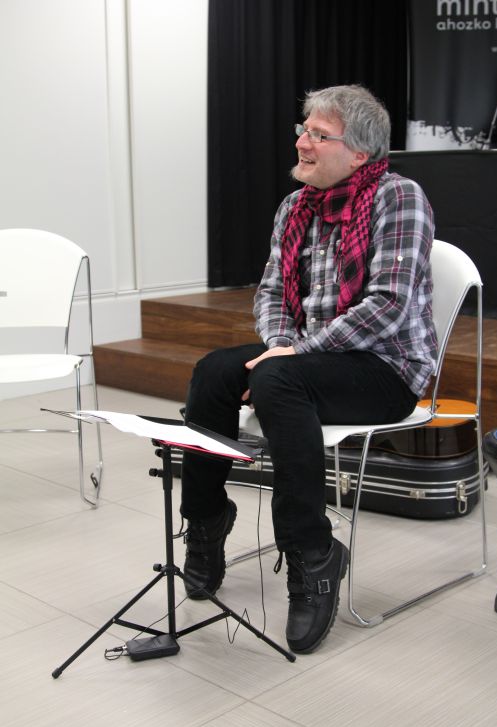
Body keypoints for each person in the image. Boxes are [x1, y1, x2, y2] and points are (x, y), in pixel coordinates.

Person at [180, 84, 437, 654]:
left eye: (320, 135)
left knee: (276, 377)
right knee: (214, 372)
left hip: (386, 367)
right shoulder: (295, 207)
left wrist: (295, 354)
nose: (303, 142)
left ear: (360, 153)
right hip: (308, 357)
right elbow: (272, 292)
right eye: (304, 130)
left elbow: (389, 304)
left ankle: (311, 552)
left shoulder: (399, 197)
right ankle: (205, 520)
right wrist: (281, 344)